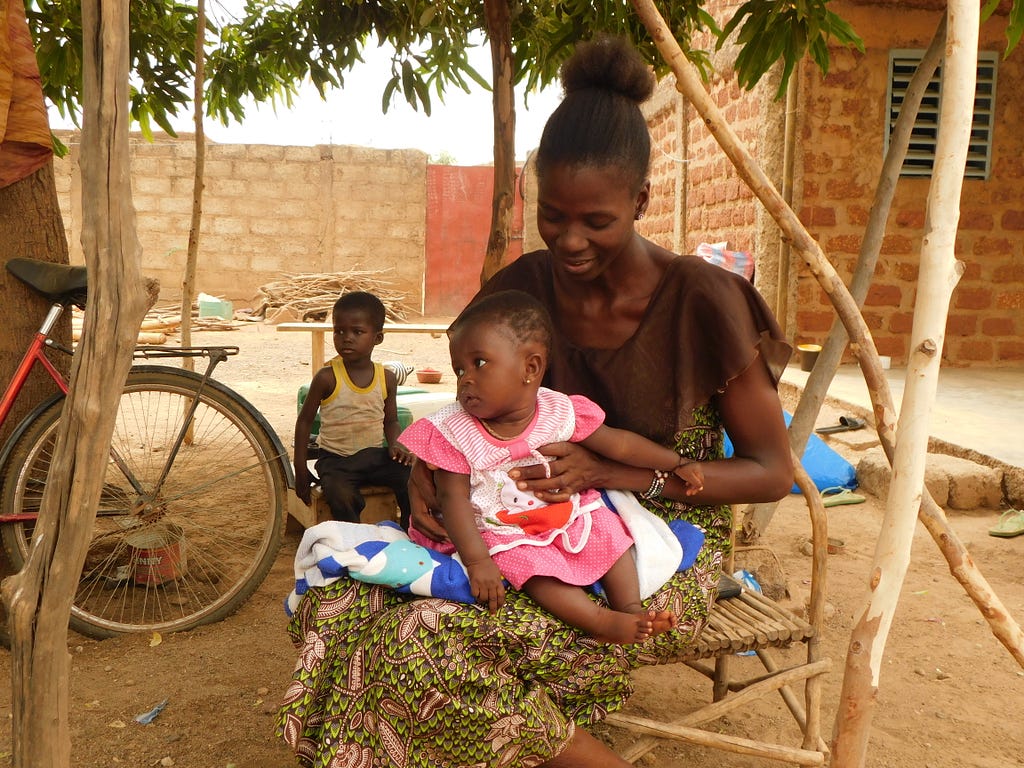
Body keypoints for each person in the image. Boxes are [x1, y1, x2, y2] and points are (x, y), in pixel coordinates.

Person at [279, 35, 792, 767]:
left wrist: (615, 475)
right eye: (553, 216)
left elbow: (773, 472)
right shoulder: (524, 289)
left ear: (641, 201)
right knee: (341, 603)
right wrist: (429, 479)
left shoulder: (702, 300)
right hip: (510, 525)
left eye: (597, 222)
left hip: (650, 549)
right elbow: (465, 407)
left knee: (420, 642)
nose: (570, 241)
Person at [400, 290, 703, 644]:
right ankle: (600, 621)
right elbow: (452, 501)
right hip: (503, 529)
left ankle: (631, 607)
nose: (466, 378)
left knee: (607, 530)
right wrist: (479, 562)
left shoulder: (559, 411)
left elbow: (620, 444)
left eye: (479, 363)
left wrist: (676, 462)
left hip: (563, 513)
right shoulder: (455, 430)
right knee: (533, 571)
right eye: (459, 369)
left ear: (531, 368)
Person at [293, 291, 413, 528]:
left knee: (412, 477)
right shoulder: (327, 377)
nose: (346, 338)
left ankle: (412, 533)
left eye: (357, 332)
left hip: (373, 457)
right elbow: (305, 421)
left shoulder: (386, 378)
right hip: (336, 461)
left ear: (378, 338)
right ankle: (354, 541)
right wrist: (300, 469)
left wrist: (396, 444)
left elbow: (390, 421)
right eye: (339, 331)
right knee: (340, 493)